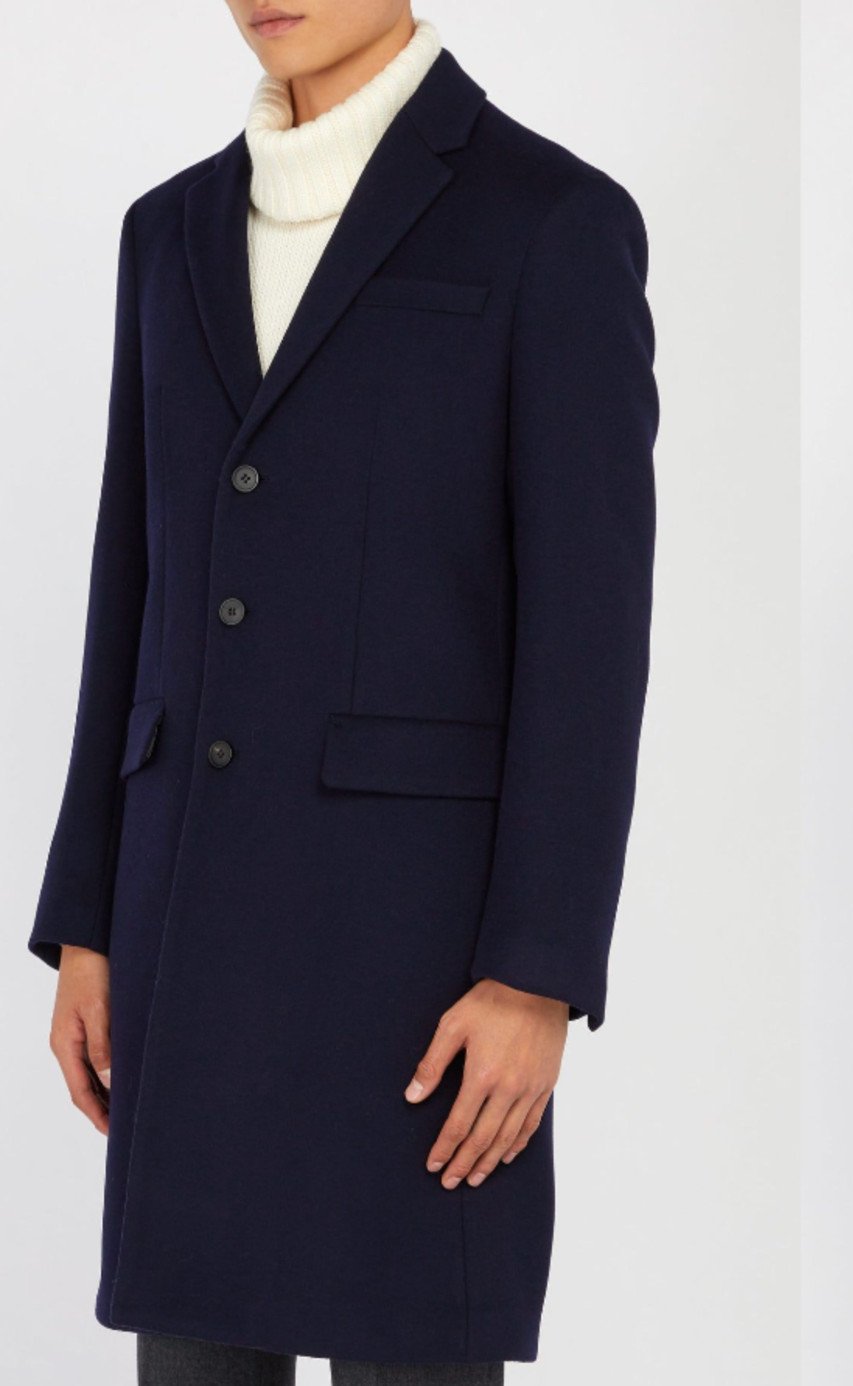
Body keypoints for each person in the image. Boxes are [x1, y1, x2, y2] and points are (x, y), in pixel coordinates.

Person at [34, 3, 656, 1382]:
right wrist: (87, 918)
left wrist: (538, 970)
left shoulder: (552, 220)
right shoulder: (166, 233)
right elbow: (130, 582)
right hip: (184, 929)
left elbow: (590, 635)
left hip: (416, 964)